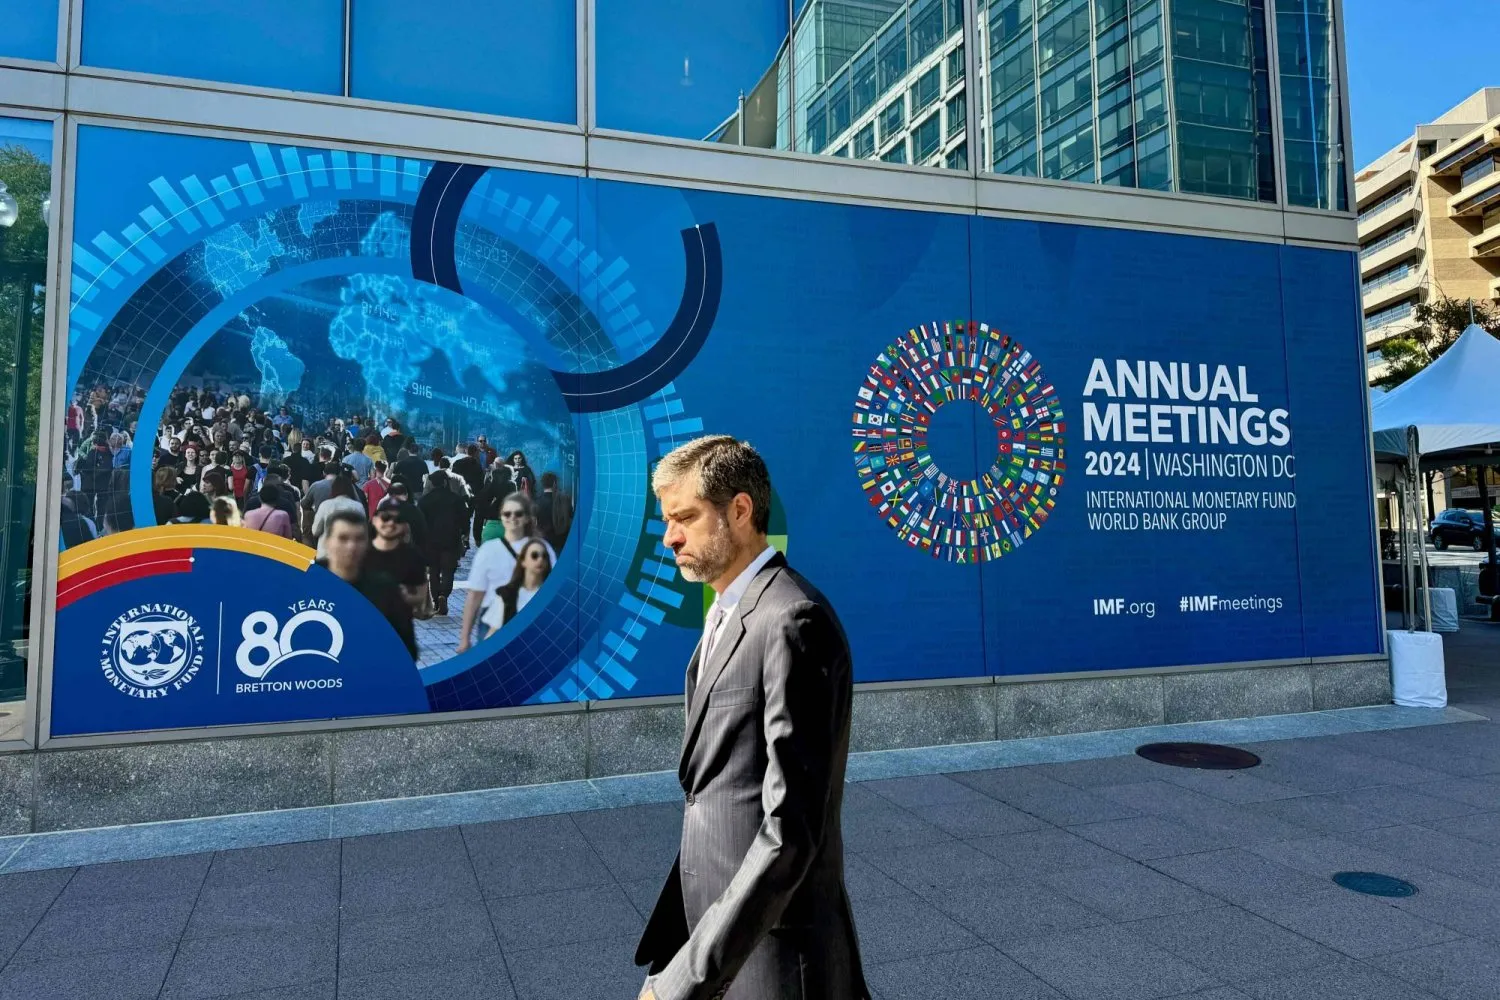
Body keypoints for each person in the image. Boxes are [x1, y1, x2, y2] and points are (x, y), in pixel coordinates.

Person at [634, 436, 866, 1000]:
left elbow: (790, 830)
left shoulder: (793, 619)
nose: (670, 537)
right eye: (667, 521)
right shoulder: (728, 611)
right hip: (724, 935)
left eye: (685, 518)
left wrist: (685, 980)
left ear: (740, 510)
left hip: (776, 959)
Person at [456, 494, 556, 654]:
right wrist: (464, 638)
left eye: (518, 513)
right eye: (507, 513)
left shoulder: (542, 549)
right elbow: (475, 595)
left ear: (527, 517)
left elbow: (553, 590)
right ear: (501, 516)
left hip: (531, 617)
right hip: (494, 618)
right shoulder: (488, 550)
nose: (512, 518)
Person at [321, 510, 417, 660]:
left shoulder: (385, 589)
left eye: (359, 539)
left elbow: (407, 649)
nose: (351, 546)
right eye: (343, 538)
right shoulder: (307, 582)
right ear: (327, 542)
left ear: (367, 543)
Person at [366, 497, 430, 615]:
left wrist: (403, 597)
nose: (391, 523)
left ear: (405, 525)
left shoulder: (413, 556)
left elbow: (421, 597)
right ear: (375, 520)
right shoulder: (362, 553)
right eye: (386, 518)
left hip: (400, 622)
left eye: (398, 519)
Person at [417, 469, 467, 616]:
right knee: (448, 570)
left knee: (434, 571)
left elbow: (420, 523)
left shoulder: (424, 501)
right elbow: (464, 519)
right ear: (445, 482)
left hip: (430, 541)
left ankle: (436, 600)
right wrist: (464, 533)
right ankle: (444, 594)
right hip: (451, 539)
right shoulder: (455, 499)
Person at [482, 538, 551, 636]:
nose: (540, 559)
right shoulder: (506, 595)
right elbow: (492, 633)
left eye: (544, 556)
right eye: (534, 555)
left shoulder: (552, 595)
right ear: (523, 561)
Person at [311, 475, 366, 557]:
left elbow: (315, 531)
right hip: (350, 554)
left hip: (326, 553)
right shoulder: (358, 506)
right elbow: (363, 531)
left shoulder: (325, 505)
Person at [535, 471, 573, 550]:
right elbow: (570, 516)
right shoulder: (564, 499)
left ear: (543, 484)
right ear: (554, 483)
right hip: (562, 541)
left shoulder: (537, 502)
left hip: (544, 541)